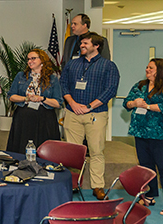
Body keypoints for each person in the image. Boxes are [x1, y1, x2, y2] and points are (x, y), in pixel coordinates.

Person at [60, 32, 119, 200]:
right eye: (81, 43)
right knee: (72, 152)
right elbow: (63, 84)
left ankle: (97, 186)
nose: (81, 45)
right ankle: (71, 184)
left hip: (96, 114)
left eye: (85, 43)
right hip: (72, 113)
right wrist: (72, 103)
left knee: (96, 151)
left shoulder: (109, 66)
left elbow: (110, 90)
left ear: (96, 46)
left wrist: (89, 107)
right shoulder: (72, 64)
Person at [123, 58, 163, 216]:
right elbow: (126, 102)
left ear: (160, 70)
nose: (147, 70)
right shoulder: (140, 85)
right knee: (146, 166)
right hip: (141, 132)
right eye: (147, 67)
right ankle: (150, 195)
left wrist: (146, 106)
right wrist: (134, 103)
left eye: (151, 68)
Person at [6, 49, 63, 154]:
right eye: (28, 59)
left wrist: (42, 98)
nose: (30, 61)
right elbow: (11, 96)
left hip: (45, 119)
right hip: (23, 118)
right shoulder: (21, 76)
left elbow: (58, 102)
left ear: (42, 60)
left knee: (43, 150)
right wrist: (26, 98)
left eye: (33, 58)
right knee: (21, 148)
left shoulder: (52, 78)